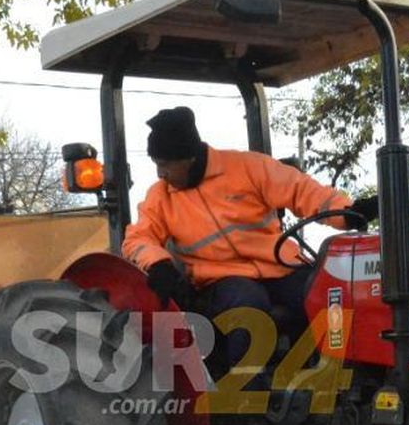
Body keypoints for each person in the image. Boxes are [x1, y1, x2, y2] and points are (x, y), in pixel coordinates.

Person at [122, 105, 379, 391]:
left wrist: (348, 211)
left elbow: (301, 190)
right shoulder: (161, 197)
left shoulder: (246, 168)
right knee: (249, 305)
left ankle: (339, 384)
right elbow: (137, 239)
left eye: (166, 164)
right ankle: (248, 400)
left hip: (278, 268)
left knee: (327, 294)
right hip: (219, 281)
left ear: (189, 157)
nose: (160, 173)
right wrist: (158, 264)